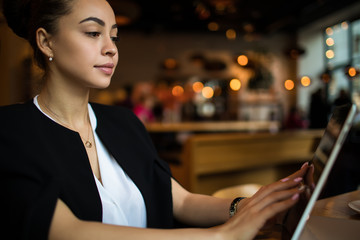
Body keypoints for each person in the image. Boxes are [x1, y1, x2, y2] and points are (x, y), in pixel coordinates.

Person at [0, 0, 310, 239]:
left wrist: (245, 206)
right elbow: (69, 232)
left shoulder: (123, 123)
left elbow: (182, 202)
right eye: (93, 33)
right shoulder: (12, 131)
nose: (110, 48)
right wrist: (221, 235)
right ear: (46, 41)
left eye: (114, 35)